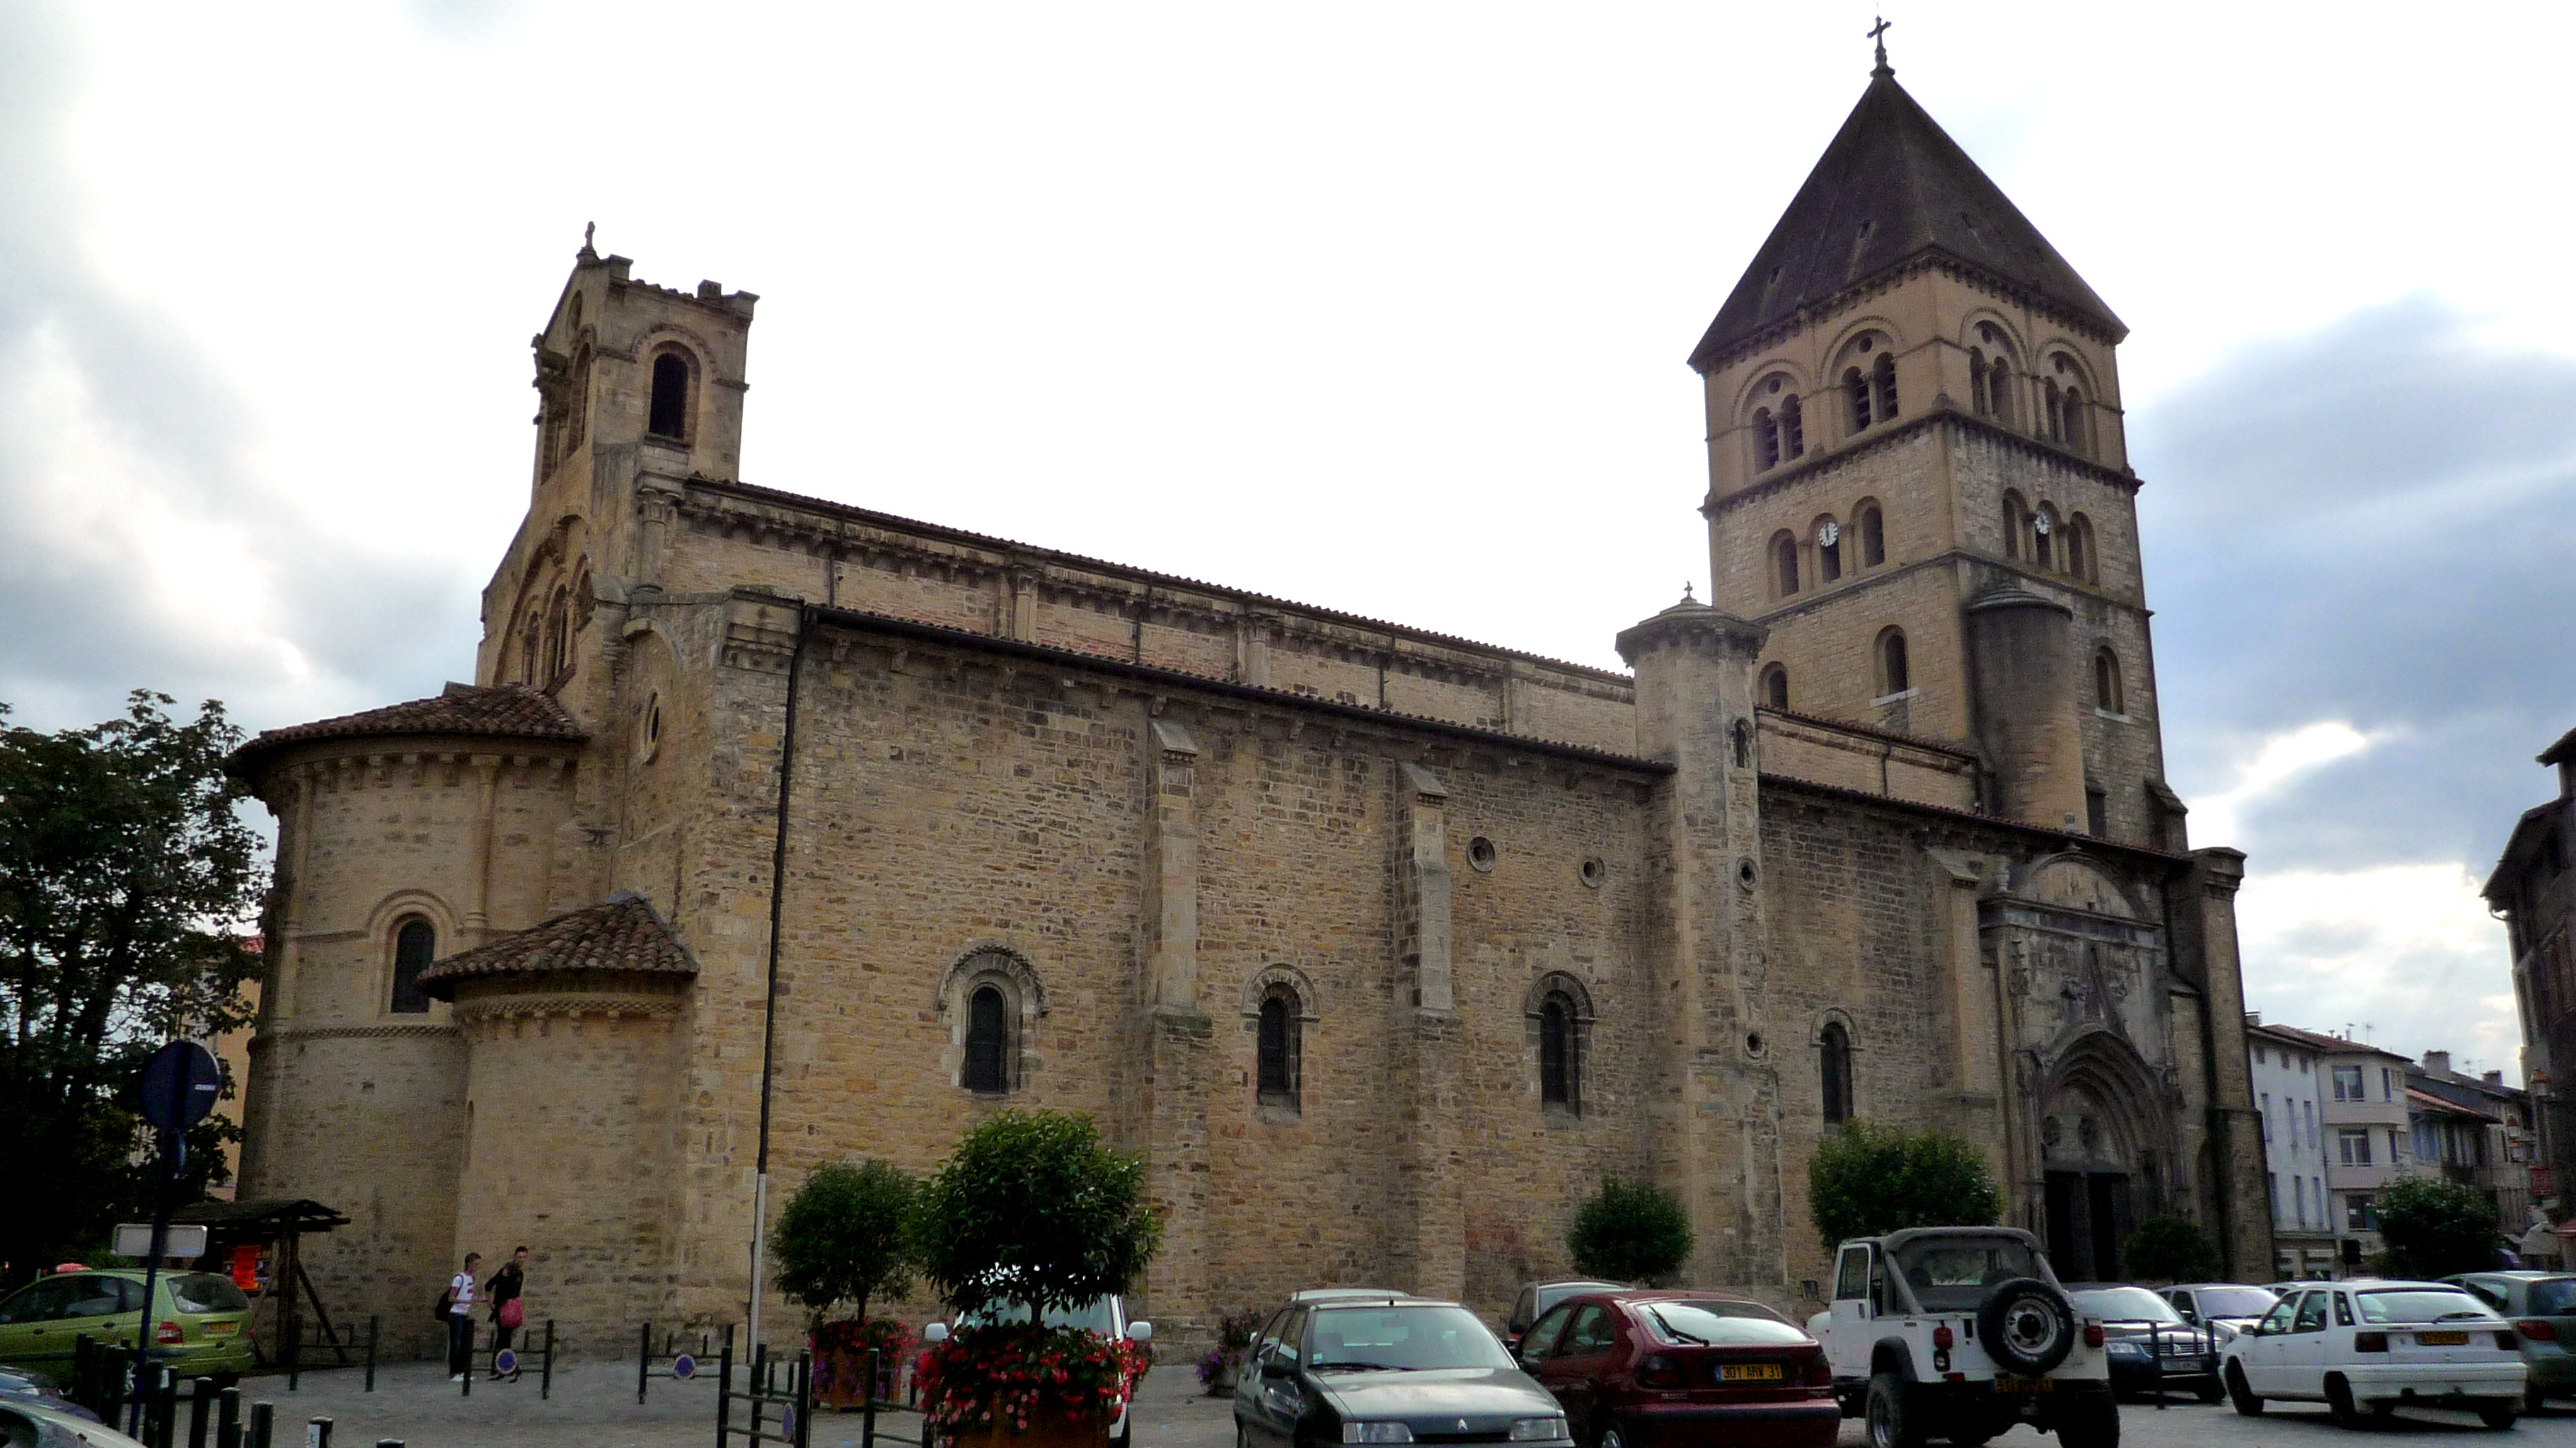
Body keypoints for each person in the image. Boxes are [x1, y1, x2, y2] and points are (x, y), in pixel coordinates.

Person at [486, 1246, 530, 1380]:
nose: (522, 1259)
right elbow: (490, 1285)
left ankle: (504, 1368)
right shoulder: (507, 1270)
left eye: (524, 1257)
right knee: (503, 1339)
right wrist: (491, 1303)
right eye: (519, 1257)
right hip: (503, 1309)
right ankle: (505, 1368)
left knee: (505, 1339)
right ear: (515, 1257)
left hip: (511, 1310)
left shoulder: (519, 1273)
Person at [444, 1252, 481, 1382]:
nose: (477, 1267)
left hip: (465, 1314)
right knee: (456, 1344)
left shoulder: (472, 1278)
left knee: (465, 1343)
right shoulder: (459, 1278)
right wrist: (467, 1302)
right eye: (475, 1264)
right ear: (469, 1264)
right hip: (456, 1314)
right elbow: (451, 1298)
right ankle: (454, 1372)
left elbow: (469, 1294)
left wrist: (475, 1300)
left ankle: (462, 1370)